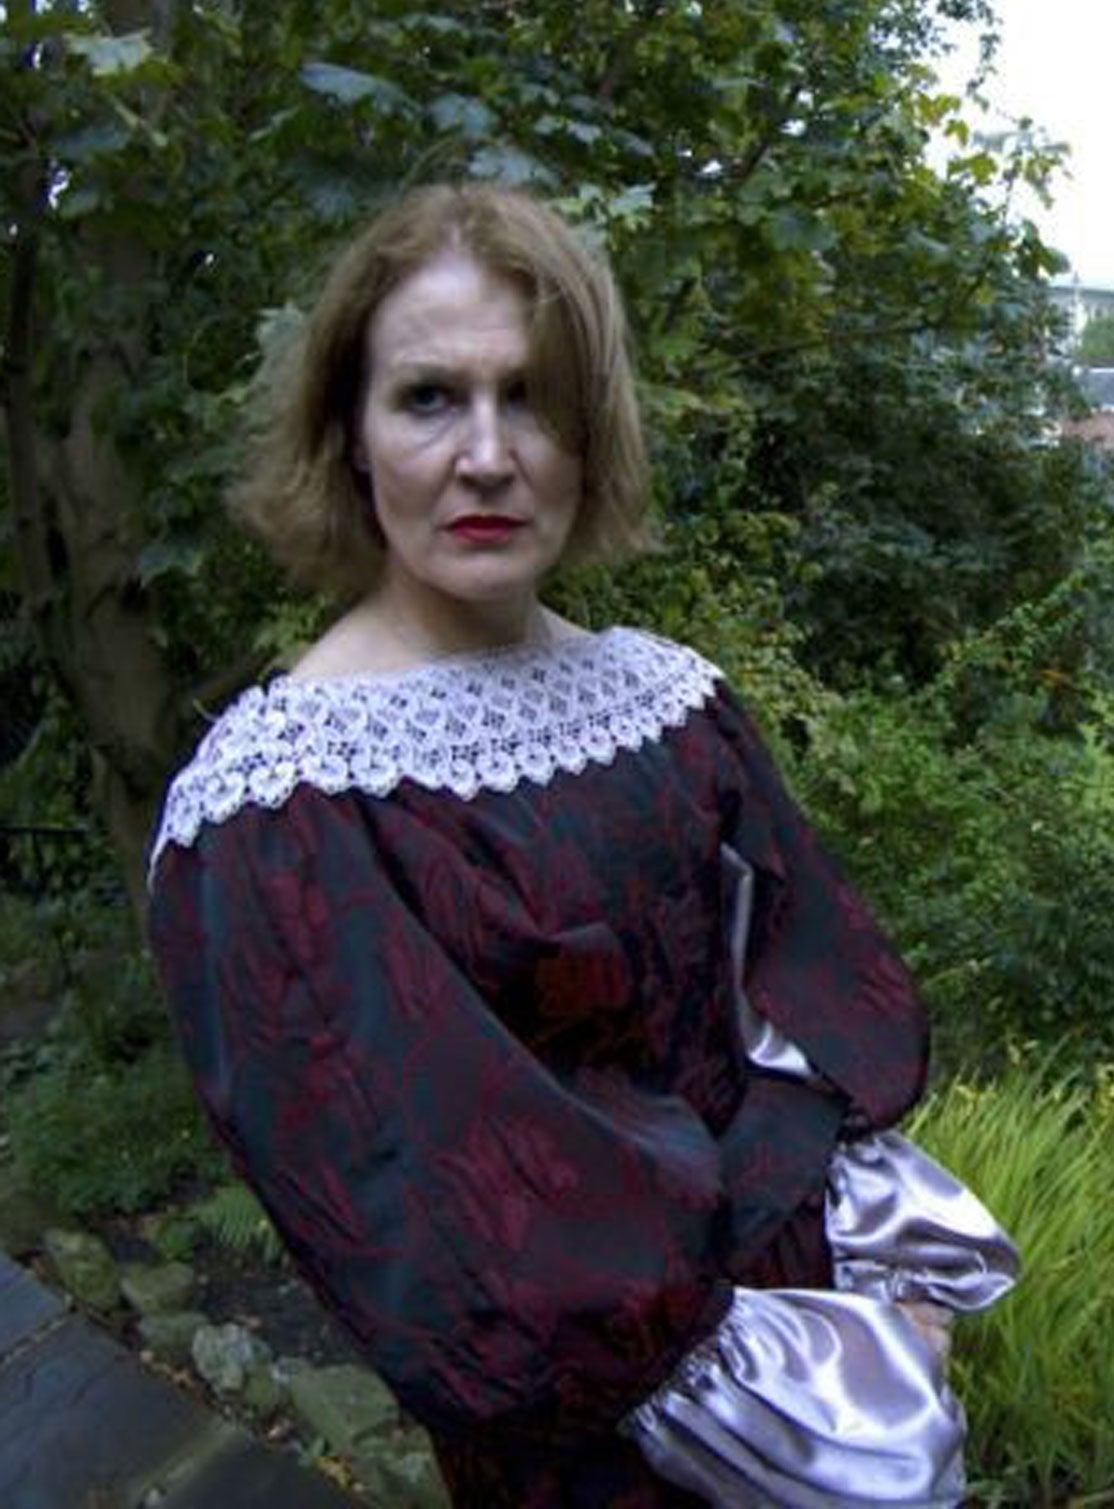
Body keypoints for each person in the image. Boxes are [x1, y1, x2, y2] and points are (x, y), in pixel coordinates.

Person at [147, 184, 1017, 1508]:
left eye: (531, 397)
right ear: (351, 434)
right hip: (601, 1446)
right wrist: (787, 1402)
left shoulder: (673, 704)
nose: (487, 453)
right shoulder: (285, 816)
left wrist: (885, 1293)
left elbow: (810, 1003)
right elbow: (451, 1229)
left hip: (841, 1339)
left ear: (589, 433)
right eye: (430, 397)